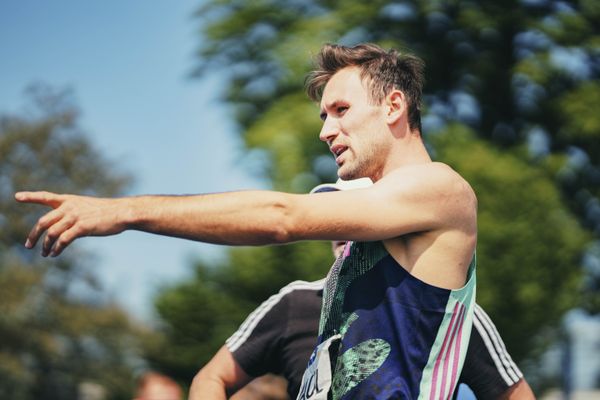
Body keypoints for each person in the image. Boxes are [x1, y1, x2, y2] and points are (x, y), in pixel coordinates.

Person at [17, 43, 477, 399]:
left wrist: (123, 210)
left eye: (341, 111)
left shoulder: (440, 189)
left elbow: (282, 217)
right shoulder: (372, 222)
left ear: (394, 106)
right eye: (323, 115)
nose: (325, 130)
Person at [190, 181, 534, 400]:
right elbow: (211, 378)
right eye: (332, 215)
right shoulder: (295, 302)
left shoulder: (448, 308)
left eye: (352, 213)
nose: (339, 228)